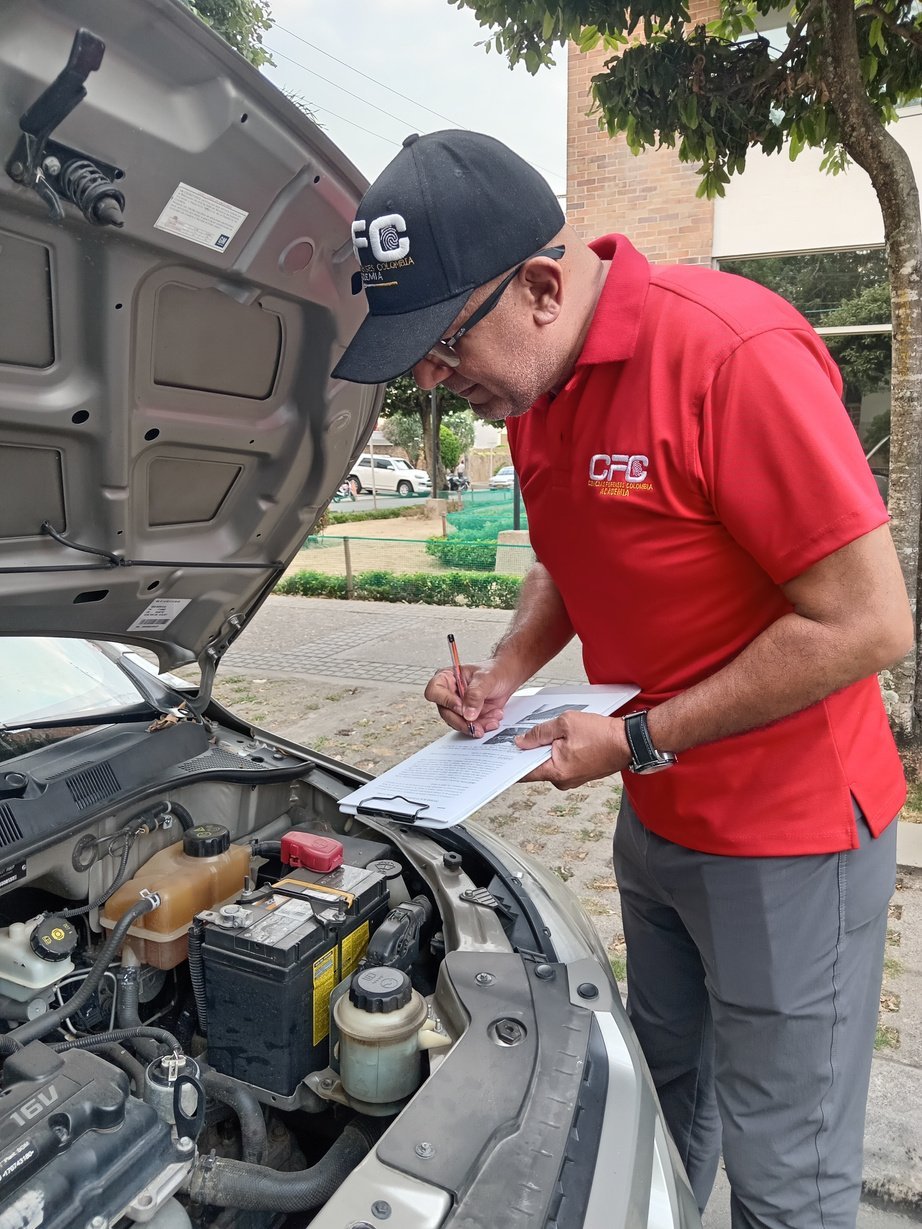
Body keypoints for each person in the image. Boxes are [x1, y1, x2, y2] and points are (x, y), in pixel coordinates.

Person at [332, 130, 913, 1229]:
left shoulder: (729, 354)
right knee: (661, 1090)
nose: (432, 380)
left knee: (785, 1170)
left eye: (445, 347)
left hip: (790, 839)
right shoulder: (539, 389)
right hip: (659, 824)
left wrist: (639, 739)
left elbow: (869, 621)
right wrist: (506, 669)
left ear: (541, 288)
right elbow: (575, 546)